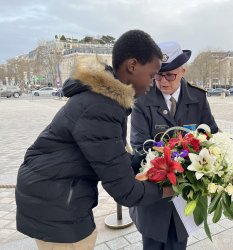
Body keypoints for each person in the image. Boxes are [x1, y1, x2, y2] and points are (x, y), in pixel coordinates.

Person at [15, 30, 174, 250]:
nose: (153, 82)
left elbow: (113, 156)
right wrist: (171, 189)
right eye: (152, 74)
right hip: (56, 204)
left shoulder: (104, 100)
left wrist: (157, 163)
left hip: (57, 194)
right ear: (133, 65)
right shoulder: (100, 107)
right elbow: (126, 191)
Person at [129, 41, 218, 250]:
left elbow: (210, 135)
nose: (164, 81)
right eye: (158, 75)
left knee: (178, 245)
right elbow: (139, 145)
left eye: (171, 75)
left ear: (183, 71)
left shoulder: (198, 97)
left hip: (185, 197)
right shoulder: (142, 100)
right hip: (154, 197)